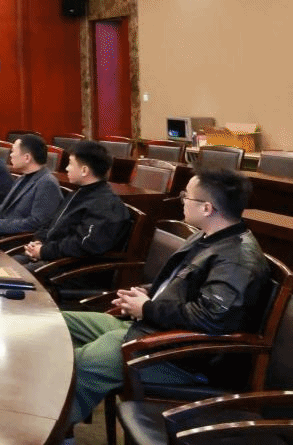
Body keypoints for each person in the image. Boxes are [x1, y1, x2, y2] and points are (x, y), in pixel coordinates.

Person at [62, 168, 270, 428]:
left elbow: (211, 317)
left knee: (84, 363)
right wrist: (147, 294)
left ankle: (54, 432)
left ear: (207, 208)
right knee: (60, 324)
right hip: (152, 330)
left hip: (182, 358)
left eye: (186, 196)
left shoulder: (237, 259)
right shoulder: (207, 236)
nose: (181, 200)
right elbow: (181, 283)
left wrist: (148, 308)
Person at [19, 140, 130, 266]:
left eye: (70, 164)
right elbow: (52, 223)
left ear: (84, 170)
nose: (66, 168)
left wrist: (44, 251)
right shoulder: (77, 193)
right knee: (7, 265)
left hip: (68, 268)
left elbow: (83, 244)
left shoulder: (106, 204)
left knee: (11, 273)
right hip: (50, 257)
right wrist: (38, 241)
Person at [0, 134, 63, 240]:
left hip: (15, 240)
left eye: (13, 151)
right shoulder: (22, 177)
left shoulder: (47, 183)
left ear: (27, 158)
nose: (10, 155)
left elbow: (37, 223)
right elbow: (4, 207)